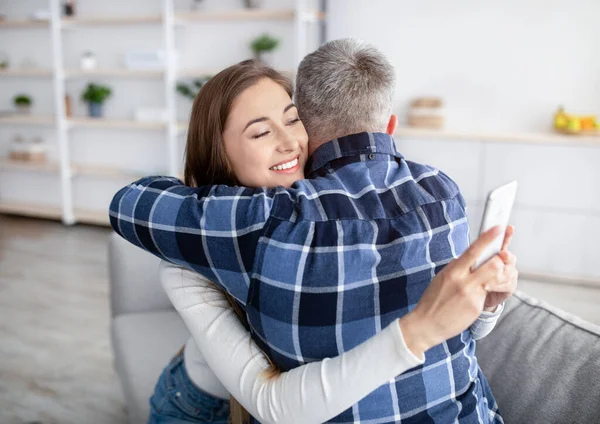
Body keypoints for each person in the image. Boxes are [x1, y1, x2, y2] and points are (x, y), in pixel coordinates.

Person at [111, 40, 518, 423]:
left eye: (294, 120)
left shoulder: (313, 215)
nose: (290, 142)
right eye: (260, 131)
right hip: (198, 404)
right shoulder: (218, 242)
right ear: (220, 152)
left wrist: (485, 304)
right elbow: (274, 401)